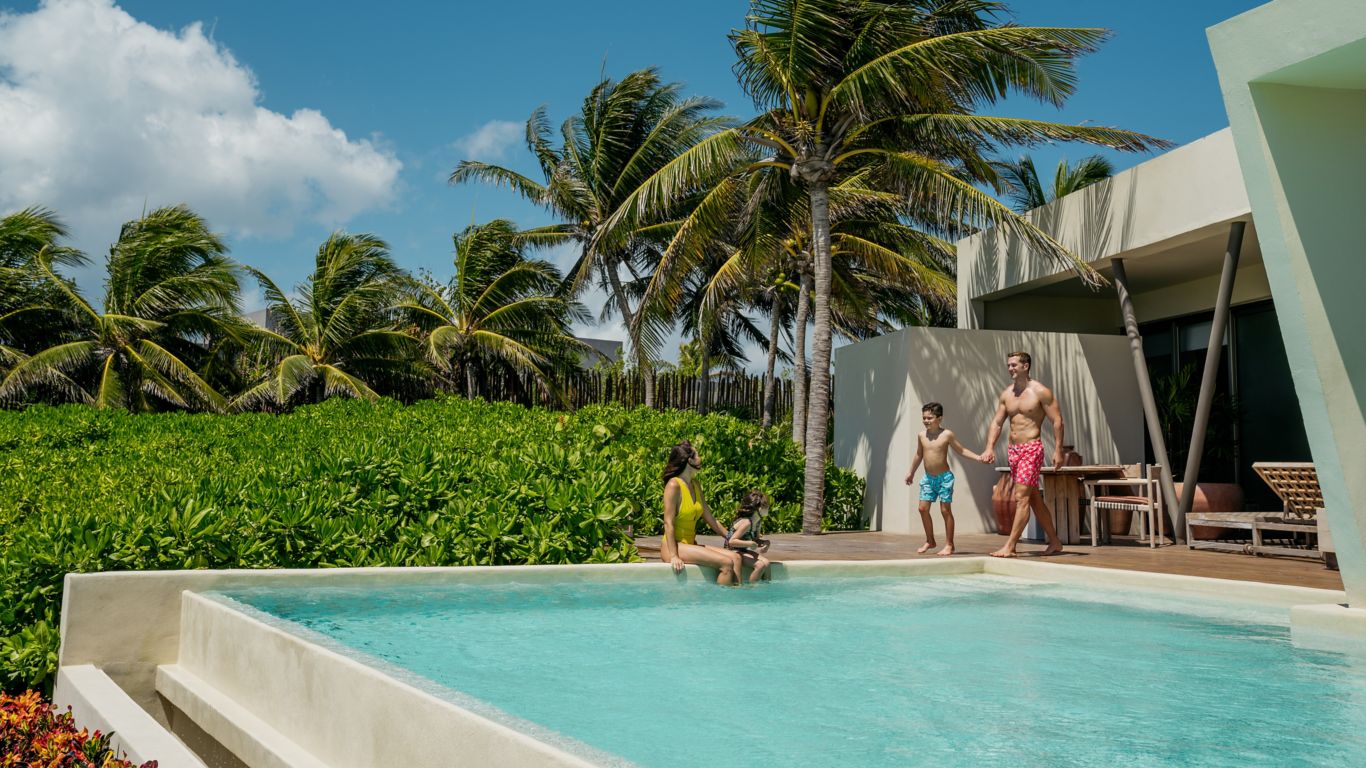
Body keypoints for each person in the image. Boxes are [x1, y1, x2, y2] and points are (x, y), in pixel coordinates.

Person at [978, 351, 1066, 558]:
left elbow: (1057, 421)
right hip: (1013, 451)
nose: (1010, 369)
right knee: (1033, 498)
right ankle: (1055, 542)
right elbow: (997, 422)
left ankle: (1010, 546)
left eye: (1014, 365)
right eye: (1008, 365)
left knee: (1021, 499)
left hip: (1031, 449)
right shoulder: (1007, 394)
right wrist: (990, 447)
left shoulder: (1041, 392)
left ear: (1026, 366)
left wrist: (1058, 450)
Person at [661, 440, 744, 585]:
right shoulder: (673, 485)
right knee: (726, 563)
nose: (701, 458)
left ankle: (737, 600)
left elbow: (709, 517)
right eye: (697, 455)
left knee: (736, 558)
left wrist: (730, 537)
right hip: (673, 546)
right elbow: (668, 523)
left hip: (690, 544)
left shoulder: (695, 484)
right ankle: (720, 604)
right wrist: (674, 556)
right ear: (689, 461)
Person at [903, 402, 979, 556]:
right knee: (922, 509)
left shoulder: (946, 435)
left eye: (930, 418)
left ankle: (949, 545)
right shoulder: (921, 435)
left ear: (939, 418)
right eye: (924, 418)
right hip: (928, 479)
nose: (926, 421)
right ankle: (930, 541)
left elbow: (962, 450)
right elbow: (919, 454)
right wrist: (910, 472)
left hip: (944, 478)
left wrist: (979, 458)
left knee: (945, 510)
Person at [724, 490, 772, 582]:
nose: (768, 507)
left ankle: (767, 591)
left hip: (742, 550)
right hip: (732, 551)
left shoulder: (757, 522)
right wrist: (749, 544)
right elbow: (732, 542)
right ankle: (751, 590)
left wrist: (766, 543)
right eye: (764, 505)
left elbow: (755, 539)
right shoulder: (746, 523)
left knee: (767, 563)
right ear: (757, 508)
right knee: (760, 565)